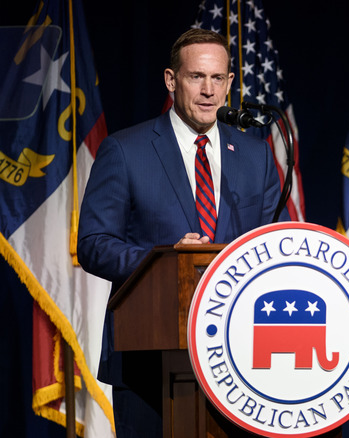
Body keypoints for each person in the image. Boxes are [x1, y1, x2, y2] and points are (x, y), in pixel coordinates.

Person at [78, 28, 287, 437]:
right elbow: (93, 245)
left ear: (229, 83)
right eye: (196, 77)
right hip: (148, 356)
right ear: (171, 80)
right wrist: (162, 260)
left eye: (217, 79)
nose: (208, 91)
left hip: (240, 358)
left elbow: (270, 245)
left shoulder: (255, 155)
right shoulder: (125, 150)